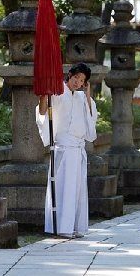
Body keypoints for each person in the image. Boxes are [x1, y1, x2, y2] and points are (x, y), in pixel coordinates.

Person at [37, 63, 98, 238]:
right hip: (63, 148)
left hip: (78, 149)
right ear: (69, 75)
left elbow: (90, 120)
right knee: (64, 188)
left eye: (82, 81)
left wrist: (87, 94)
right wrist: (43, 95)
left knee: (77, 189)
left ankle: (74, 226)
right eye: (76, 78)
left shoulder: (81, 98)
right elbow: (42, 112)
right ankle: (61, 227)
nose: (78, 82)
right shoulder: (57, 92)